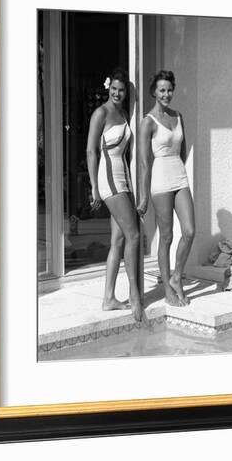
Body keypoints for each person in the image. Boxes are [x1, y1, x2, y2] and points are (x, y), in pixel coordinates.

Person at [86, 68, 145, 322]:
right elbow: (91, 151)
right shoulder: (101, 113)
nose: (118, 93)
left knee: (119, 241)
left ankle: (108, 298)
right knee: (133, 235)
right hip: (109, 180)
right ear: (108, 88)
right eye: (114, 89)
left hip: (124, 179)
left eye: (122, 90)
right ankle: (134, 295)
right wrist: (93, 186)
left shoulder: (122, 112)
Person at [137, 70, 195, 306]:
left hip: (179, 177)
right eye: (162, 90)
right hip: (160, 180)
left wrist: (182, 172)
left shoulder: (179, 116)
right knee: (167, 236)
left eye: (170, 89)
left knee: (190, 231)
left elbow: (182, 150)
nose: (167, 94)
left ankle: (176, 277)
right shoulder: (147, 122)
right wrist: (143, 197)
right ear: (154, 92)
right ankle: (168, 291)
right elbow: (143, 162)